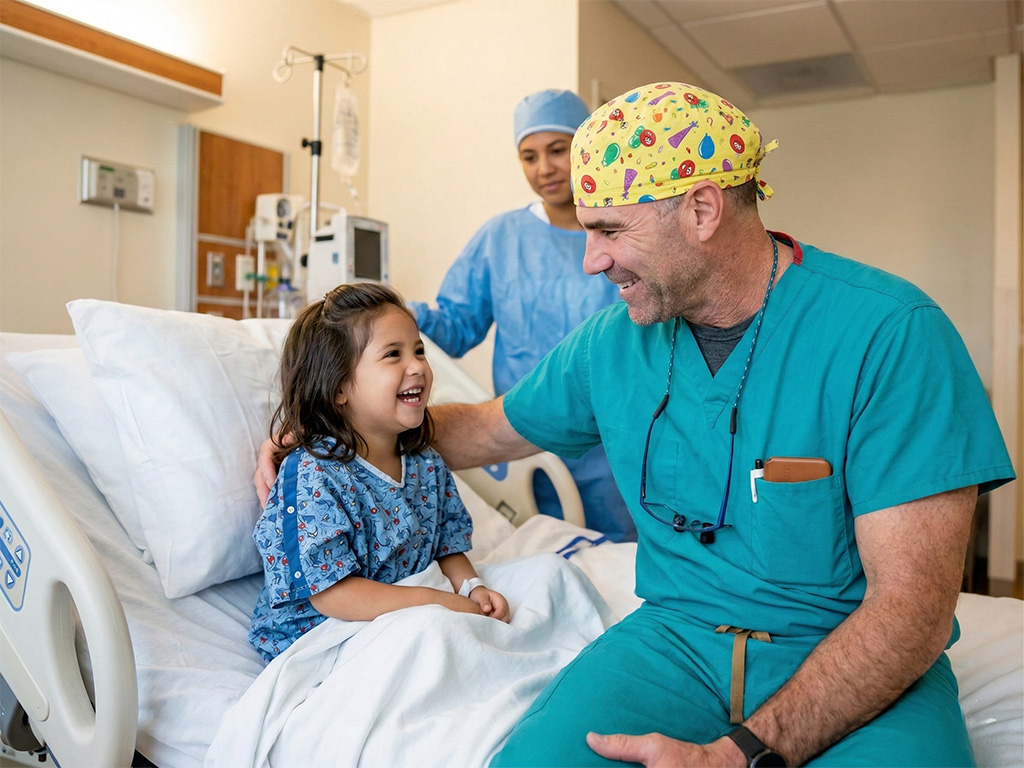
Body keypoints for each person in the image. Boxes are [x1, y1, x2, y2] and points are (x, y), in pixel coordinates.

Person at [420, 82, 1015, 766]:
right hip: (674, 643)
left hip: (848, 655)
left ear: (701, 208)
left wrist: (743, 754)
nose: (591, 260)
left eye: (609, 230)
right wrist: (342, 429)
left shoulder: (889, 335)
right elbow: (487, 430)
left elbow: (911, 612)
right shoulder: (610, 345)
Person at [408, 89, 635, 542]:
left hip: (618, 444)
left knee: (624, 572)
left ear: (586, 150)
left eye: (557, 151)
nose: (544, 169)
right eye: (528, 156)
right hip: (528, 445)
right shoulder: (500, 239)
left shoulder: (625, 228)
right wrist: (395, 315)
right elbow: (453, 328)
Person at [249, 282, 509, 663]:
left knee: (549, 578)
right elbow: (330, 593)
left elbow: (447, 545)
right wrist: (436, 603)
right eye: (393, 354)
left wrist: (471, 587)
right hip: (325, 631)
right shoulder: (315, 473)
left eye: (419, 350)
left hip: (403, 612)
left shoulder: (426, 463)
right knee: (438, 637)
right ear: (339, 387)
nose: (417, 365)